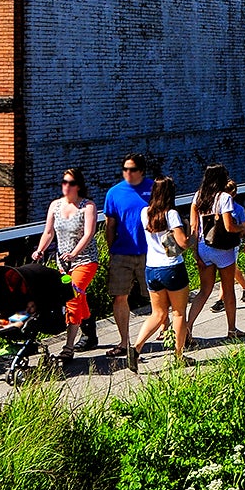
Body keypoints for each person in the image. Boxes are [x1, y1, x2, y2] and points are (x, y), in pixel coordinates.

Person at [30, 167, 100, 361]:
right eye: (64, 182)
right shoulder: (55, 206)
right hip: (64, 263)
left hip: (85, 260)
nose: (66, 186)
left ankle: (68, 347)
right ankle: (89, 329)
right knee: (78, 297)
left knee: (73, 294)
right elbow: (49, 232)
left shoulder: (88, 207)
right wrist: (40, 250)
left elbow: (88, 234)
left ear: (78, 186)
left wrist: (74, 253)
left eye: (70, 183)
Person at [129, 175, 190, 370]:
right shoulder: (171, 214)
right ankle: (179, 356)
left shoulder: (144, 212)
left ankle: (136, 348)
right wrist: (192, 233)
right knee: (179, 313)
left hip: (152, 268)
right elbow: (182, 244)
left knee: (157, 313)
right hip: (172, 267)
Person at [102, 154, 155, 359]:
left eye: (132, 169)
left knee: (157, 295)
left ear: (141, 171)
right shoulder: (114, 193)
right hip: (122, 252)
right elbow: (110, 224)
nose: (128, 173)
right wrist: (111, 248)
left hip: (149, 252)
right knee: (119, 296)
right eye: (125, 169)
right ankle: (124, 341)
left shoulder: (153, 189)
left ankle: (166, 331)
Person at [186, 164, 245, 339]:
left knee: (204, 291)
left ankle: (187, 329)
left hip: (203, 248)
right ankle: (232, 330)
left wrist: (196, 253)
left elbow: (194, 227)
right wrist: (241, 228)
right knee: (228, 290)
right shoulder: (224, 197)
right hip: (222, 250)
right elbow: (228, 226)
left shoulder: (198, 196)